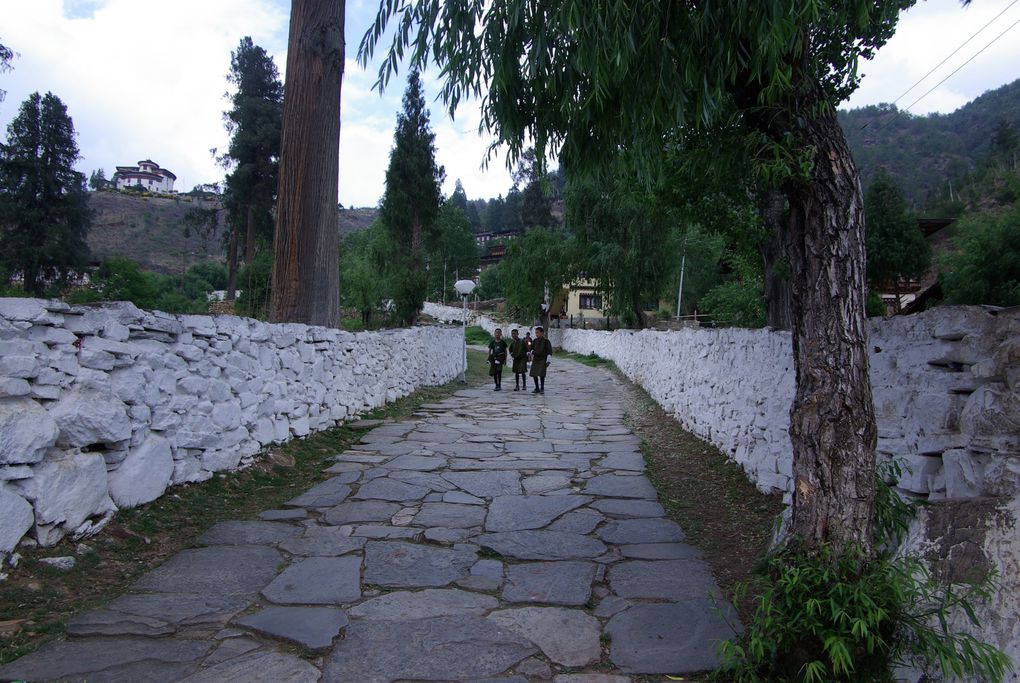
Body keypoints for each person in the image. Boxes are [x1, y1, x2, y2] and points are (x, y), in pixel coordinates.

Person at [529, 326, 552, 393]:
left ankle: (542, 388)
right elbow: (531, 349)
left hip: (543, 359)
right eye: (536, 333)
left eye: (538, 333)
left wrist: (548, 361)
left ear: (542, 333)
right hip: (535, 359)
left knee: (542, 374)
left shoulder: (546, 341)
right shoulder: (535, 341)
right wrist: (531, 353)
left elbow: (549, 352)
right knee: (534, 373)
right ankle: (537, 388)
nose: (536, 334)